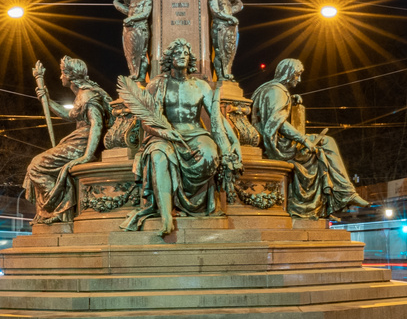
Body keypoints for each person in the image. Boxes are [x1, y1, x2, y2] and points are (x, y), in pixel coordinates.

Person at [120, 38, 241, 235]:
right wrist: (165, 132)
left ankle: (193, 204)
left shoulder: (201, 86)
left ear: (190, 58)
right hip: (163, 134)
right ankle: (166, 217)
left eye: (185, 53)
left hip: (194, 132)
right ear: (169, 58)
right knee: (158, 156)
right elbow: (146, 121)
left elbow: (216, 118)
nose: (182, 56)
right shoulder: (156, 85)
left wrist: (234, 140)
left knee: (210, 154)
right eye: (177, 53)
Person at [250, 58, 364, 220]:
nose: (299, 79)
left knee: (323, 145)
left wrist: (291, 99)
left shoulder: (272, 89)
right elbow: (278, 124)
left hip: (271, 141)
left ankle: (341, 196)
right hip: (277, 146)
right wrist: (304, 140)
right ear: (288, 74)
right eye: (297, 75)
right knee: (326, 143)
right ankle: (345, 193)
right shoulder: (277, 91)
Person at [21, 57, 112, 224]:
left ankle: (61, 207)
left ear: (70, 75)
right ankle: (57, 208)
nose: (60, 77)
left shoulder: (87, 96)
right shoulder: (82, 95)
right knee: (36, 165)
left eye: (62, 73)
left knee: (36, 165)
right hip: (78, 141)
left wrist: (87, 155)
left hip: (82, 143)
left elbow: (97, 124)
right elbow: (68, 115)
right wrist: (47, 100)